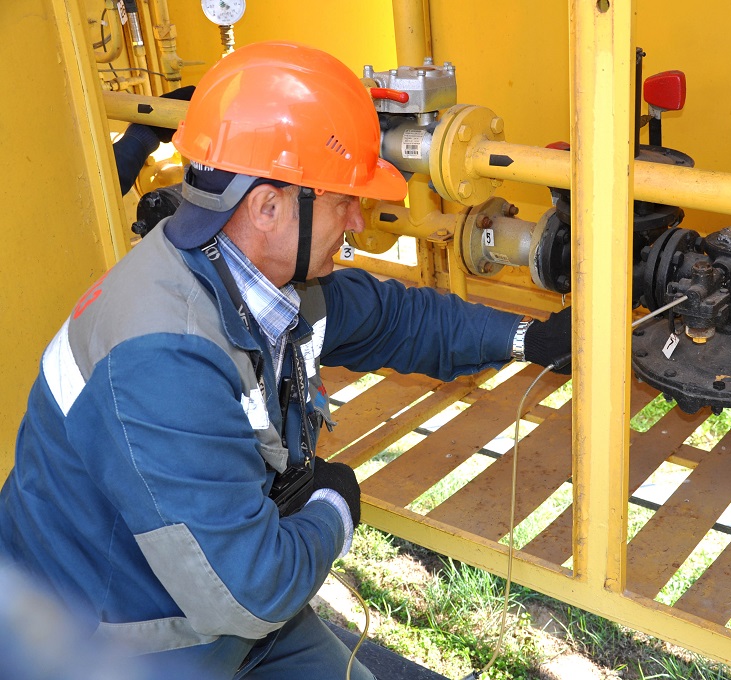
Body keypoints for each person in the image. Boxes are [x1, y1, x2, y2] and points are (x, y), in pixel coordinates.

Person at [0, 41, 570, 679]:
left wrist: (529, 339)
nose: (359, 221)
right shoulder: (161, 359)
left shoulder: (250, 276)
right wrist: (332, 510)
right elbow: (251, 591)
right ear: (267, 207)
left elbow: (391, 318)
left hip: (214, 615)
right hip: (110, 644)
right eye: (342, 199)